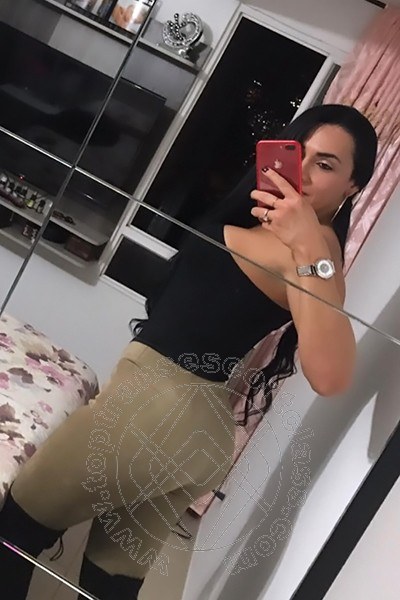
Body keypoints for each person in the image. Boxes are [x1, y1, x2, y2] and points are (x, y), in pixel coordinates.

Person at [0, 104, 378, 599]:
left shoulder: (314, 253)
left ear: (353, 186)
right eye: (297, 152)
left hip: (152, 413)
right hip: (192, 429)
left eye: (325, 165)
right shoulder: (289, 241)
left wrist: (308, 244)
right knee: (109, 582)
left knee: (15, 530)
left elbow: (331, 375)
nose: (303, 172)